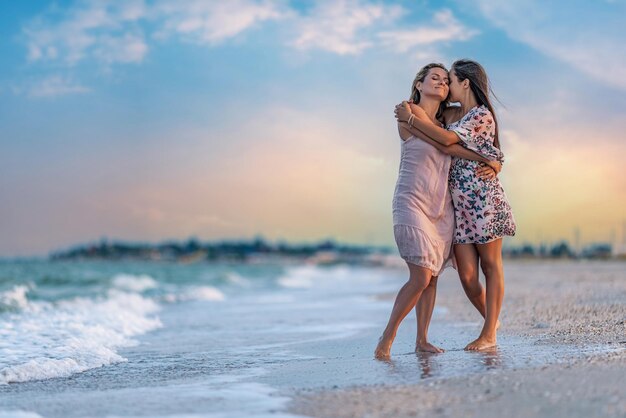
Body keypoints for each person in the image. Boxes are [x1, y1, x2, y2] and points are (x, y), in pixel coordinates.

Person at [374, 63, 501, 360]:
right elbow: (445, 145)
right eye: (435, 78)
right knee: (420, 275)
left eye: (446, 80)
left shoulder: (450, 117)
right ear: (419, 84)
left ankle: (422, 340)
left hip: (442, 206)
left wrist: (495, 160)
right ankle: (387, 337)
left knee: (431, 278)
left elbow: (478, 127)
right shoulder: (409, 111)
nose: (442, 83)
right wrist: (487, 158)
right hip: (412, 200)